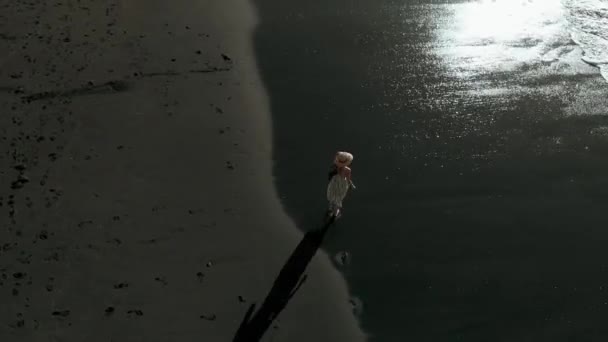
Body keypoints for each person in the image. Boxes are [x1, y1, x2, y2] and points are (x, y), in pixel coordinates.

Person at [326, 151, 356, 218]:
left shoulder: (335, 168)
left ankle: (330, 208)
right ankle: (335, 213)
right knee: (338, 199)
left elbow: (331, 177)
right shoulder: (348, 170)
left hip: (334, 184)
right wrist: (351, 184)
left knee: (332, 196)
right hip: (341, 185)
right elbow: (348, 179)